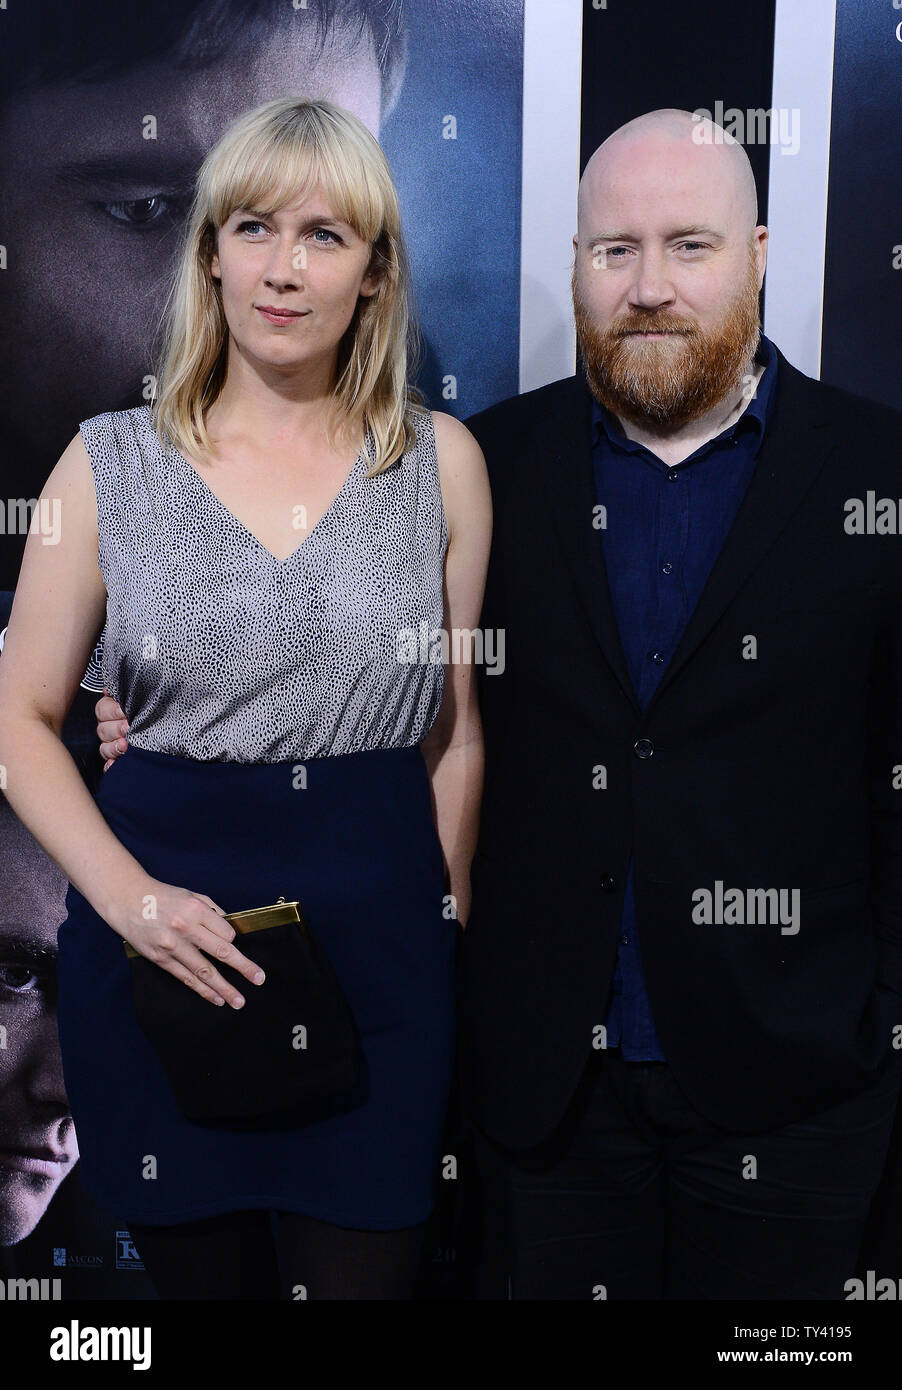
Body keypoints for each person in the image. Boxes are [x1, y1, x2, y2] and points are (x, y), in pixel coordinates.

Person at [0, 96, 490, 1300]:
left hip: (382, 992)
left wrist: (444, 928)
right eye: (254, 227)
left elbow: (455, 735)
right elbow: (17, 724)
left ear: (374, 275)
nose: (283, 267)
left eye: (325, 236)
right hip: (162, 978)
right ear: (209, 249)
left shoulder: (441, 464)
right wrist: (133, 905)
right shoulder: (104, 462)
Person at [451, 108, 900, 1299]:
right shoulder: (480, 468)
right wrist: (152, 703)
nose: (647, 287)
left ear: (756, 251)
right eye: (614, 251)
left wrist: (872, 1026)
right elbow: (396, 703)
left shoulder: (877, 477)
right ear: (575, 270)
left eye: (688, 247)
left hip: (797, 1093)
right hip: (546, 1095)